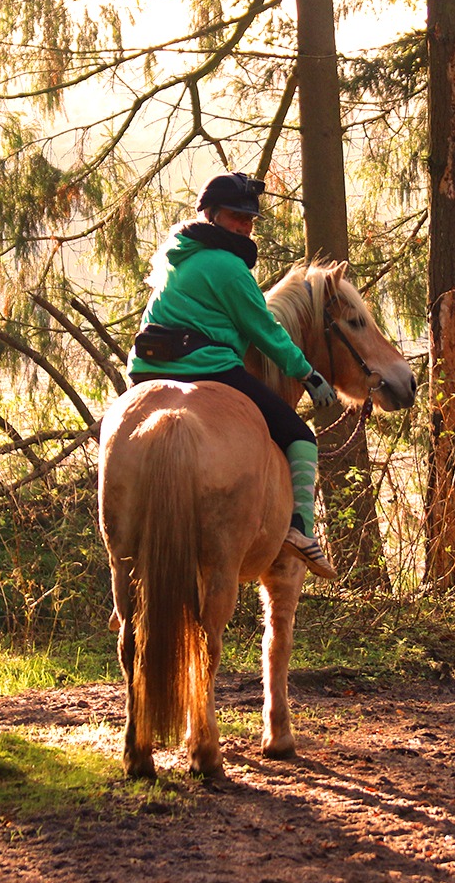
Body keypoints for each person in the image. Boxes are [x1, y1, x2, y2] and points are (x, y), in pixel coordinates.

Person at [127, 171, 338, 579]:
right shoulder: (228, 266)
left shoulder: (173, 254)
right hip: (206, 367)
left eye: (249, 219)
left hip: (146, 370)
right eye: (235, 217)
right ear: (211, 215)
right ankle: (300, 531)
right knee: (299, 436)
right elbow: (264, 330)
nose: (244, 225)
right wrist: (307, 373)